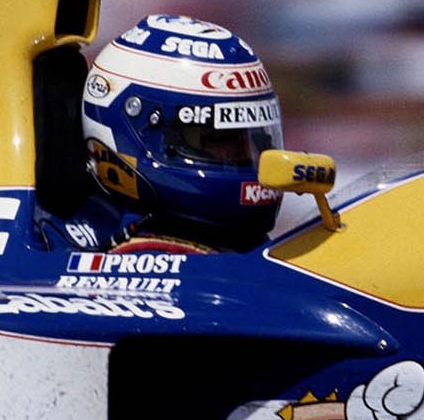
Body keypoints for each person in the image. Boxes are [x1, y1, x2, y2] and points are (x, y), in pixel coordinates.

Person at [39, 13, 284, 254]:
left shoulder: (251, 244)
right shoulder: (67, 245)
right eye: (218, 139)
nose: (249, 154)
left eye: (254, 138)